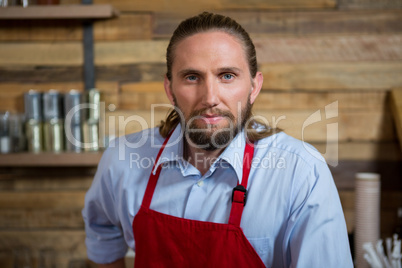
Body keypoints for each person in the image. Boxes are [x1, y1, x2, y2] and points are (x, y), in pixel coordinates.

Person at [82, 12, 353, 268]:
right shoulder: (122, 160)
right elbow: (102, 231)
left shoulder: (302, 173)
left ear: (254, 86)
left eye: (227, 76)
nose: (210, 97)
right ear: (169, 88)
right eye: (192, 77)